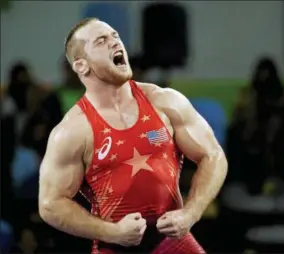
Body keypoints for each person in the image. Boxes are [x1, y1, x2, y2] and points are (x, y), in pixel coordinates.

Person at [38, 17, 227, 254]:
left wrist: (191, 213)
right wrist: (112, 232)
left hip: (171, 241)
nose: (115, 43)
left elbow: (213, 155)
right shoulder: (73, 131)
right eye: (101, 41)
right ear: (81, 66)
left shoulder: (164, 101)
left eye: (115, 36)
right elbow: (50, 205)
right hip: (115, 247)